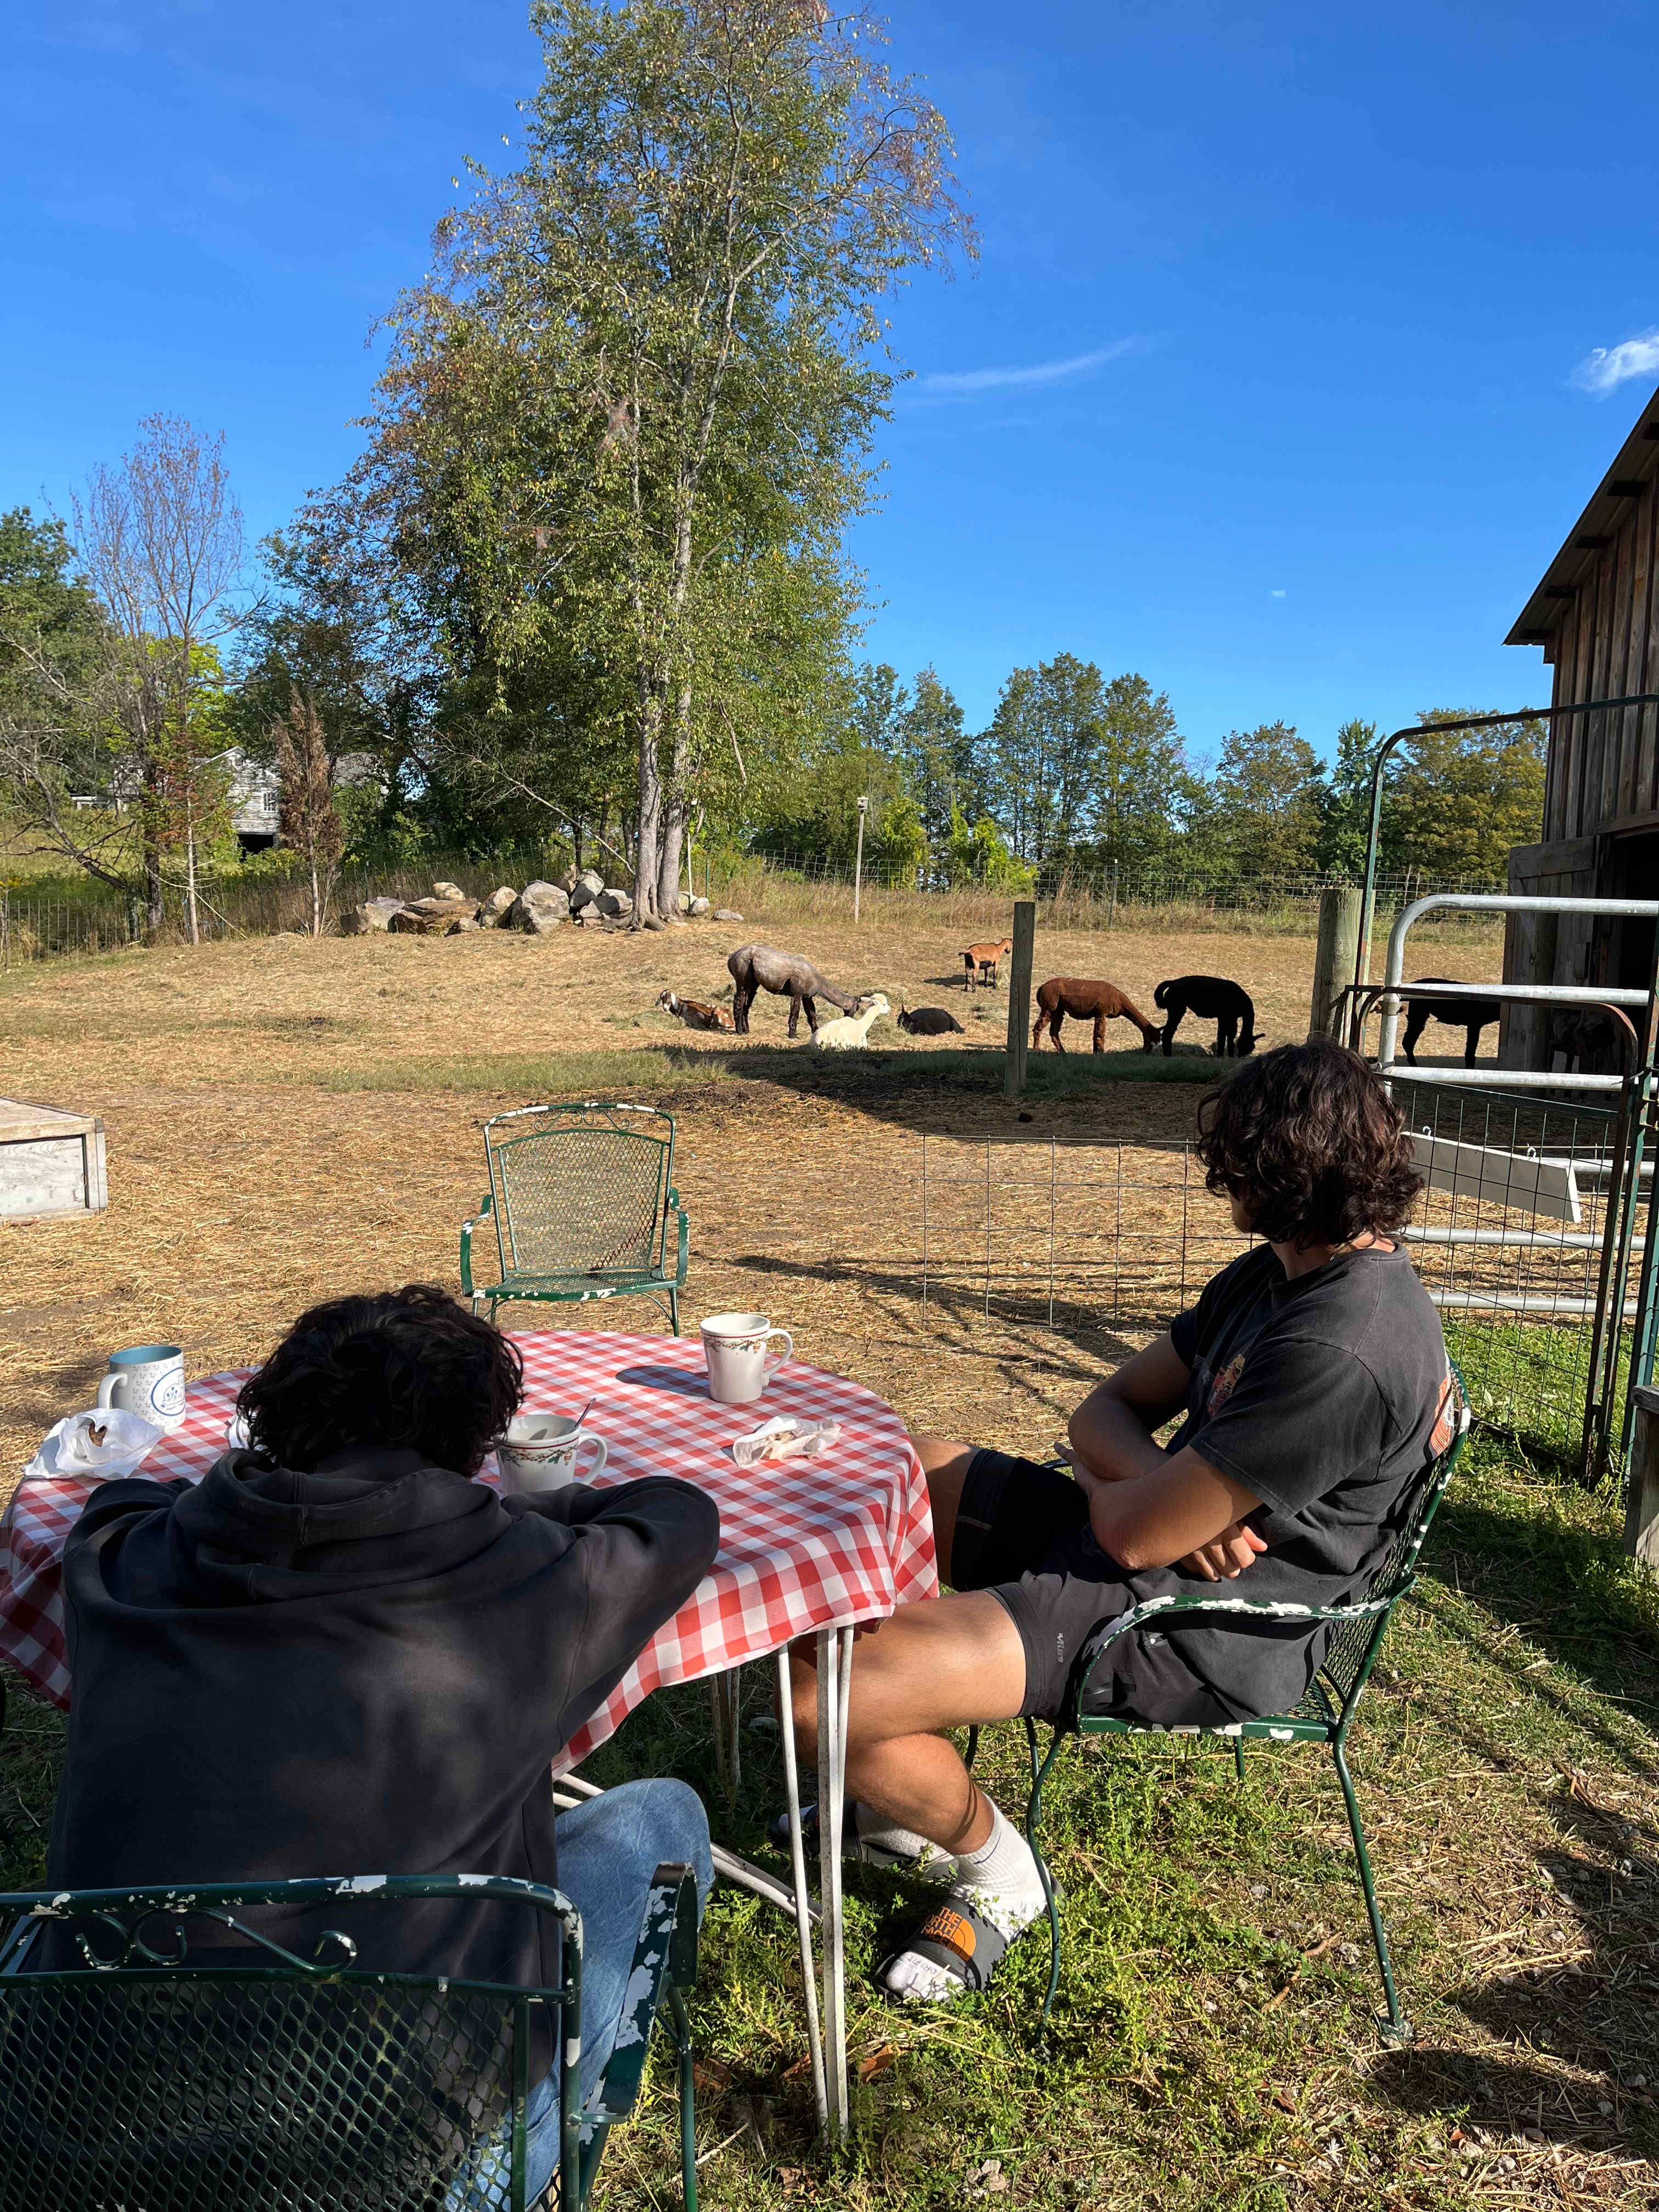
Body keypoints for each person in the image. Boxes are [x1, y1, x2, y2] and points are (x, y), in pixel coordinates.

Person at [781, 1040, 1455, 2004]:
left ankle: (999, 1871)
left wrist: (1130, 1496)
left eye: (1235, 1163)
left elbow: (1137, 1536)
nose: (1222, 1182)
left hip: (1199, 1625)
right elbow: (1099, 1412)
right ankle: (895, 1803)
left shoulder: (1344, 1345)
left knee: (822, 1695)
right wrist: (1148, 1484)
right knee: (890, 1466)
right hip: (1144, 1548)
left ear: (1276, 1174)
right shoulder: (1274, 1274)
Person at [42, 1284, 720, 2203]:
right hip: (389, 2166)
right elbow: (679, 1514)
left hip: (78, 2136)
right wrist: (524, 1512)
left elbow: (123, 1496)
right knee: (659, 1817)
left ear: (275, 1426)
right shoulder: (535, 1576)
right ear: (476, 1449)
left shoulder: (121, 1562)